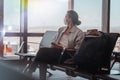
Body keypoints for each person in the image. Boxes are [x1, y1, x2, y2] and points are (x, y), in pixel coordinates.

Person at [25, 10, 85, 75]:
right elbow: (54, 40)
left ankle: (29, 72)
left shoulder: (79, 33)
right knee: (42, 58)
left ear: (70, 18)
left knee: (42, 52)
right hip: (56, 52)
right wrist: (54, 45)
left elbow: (77, 50)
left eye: (65, 16)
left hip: (66, 54)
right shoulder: (61, 29)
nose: (64, 18)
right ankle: (35, 75)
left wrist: (62, 48)